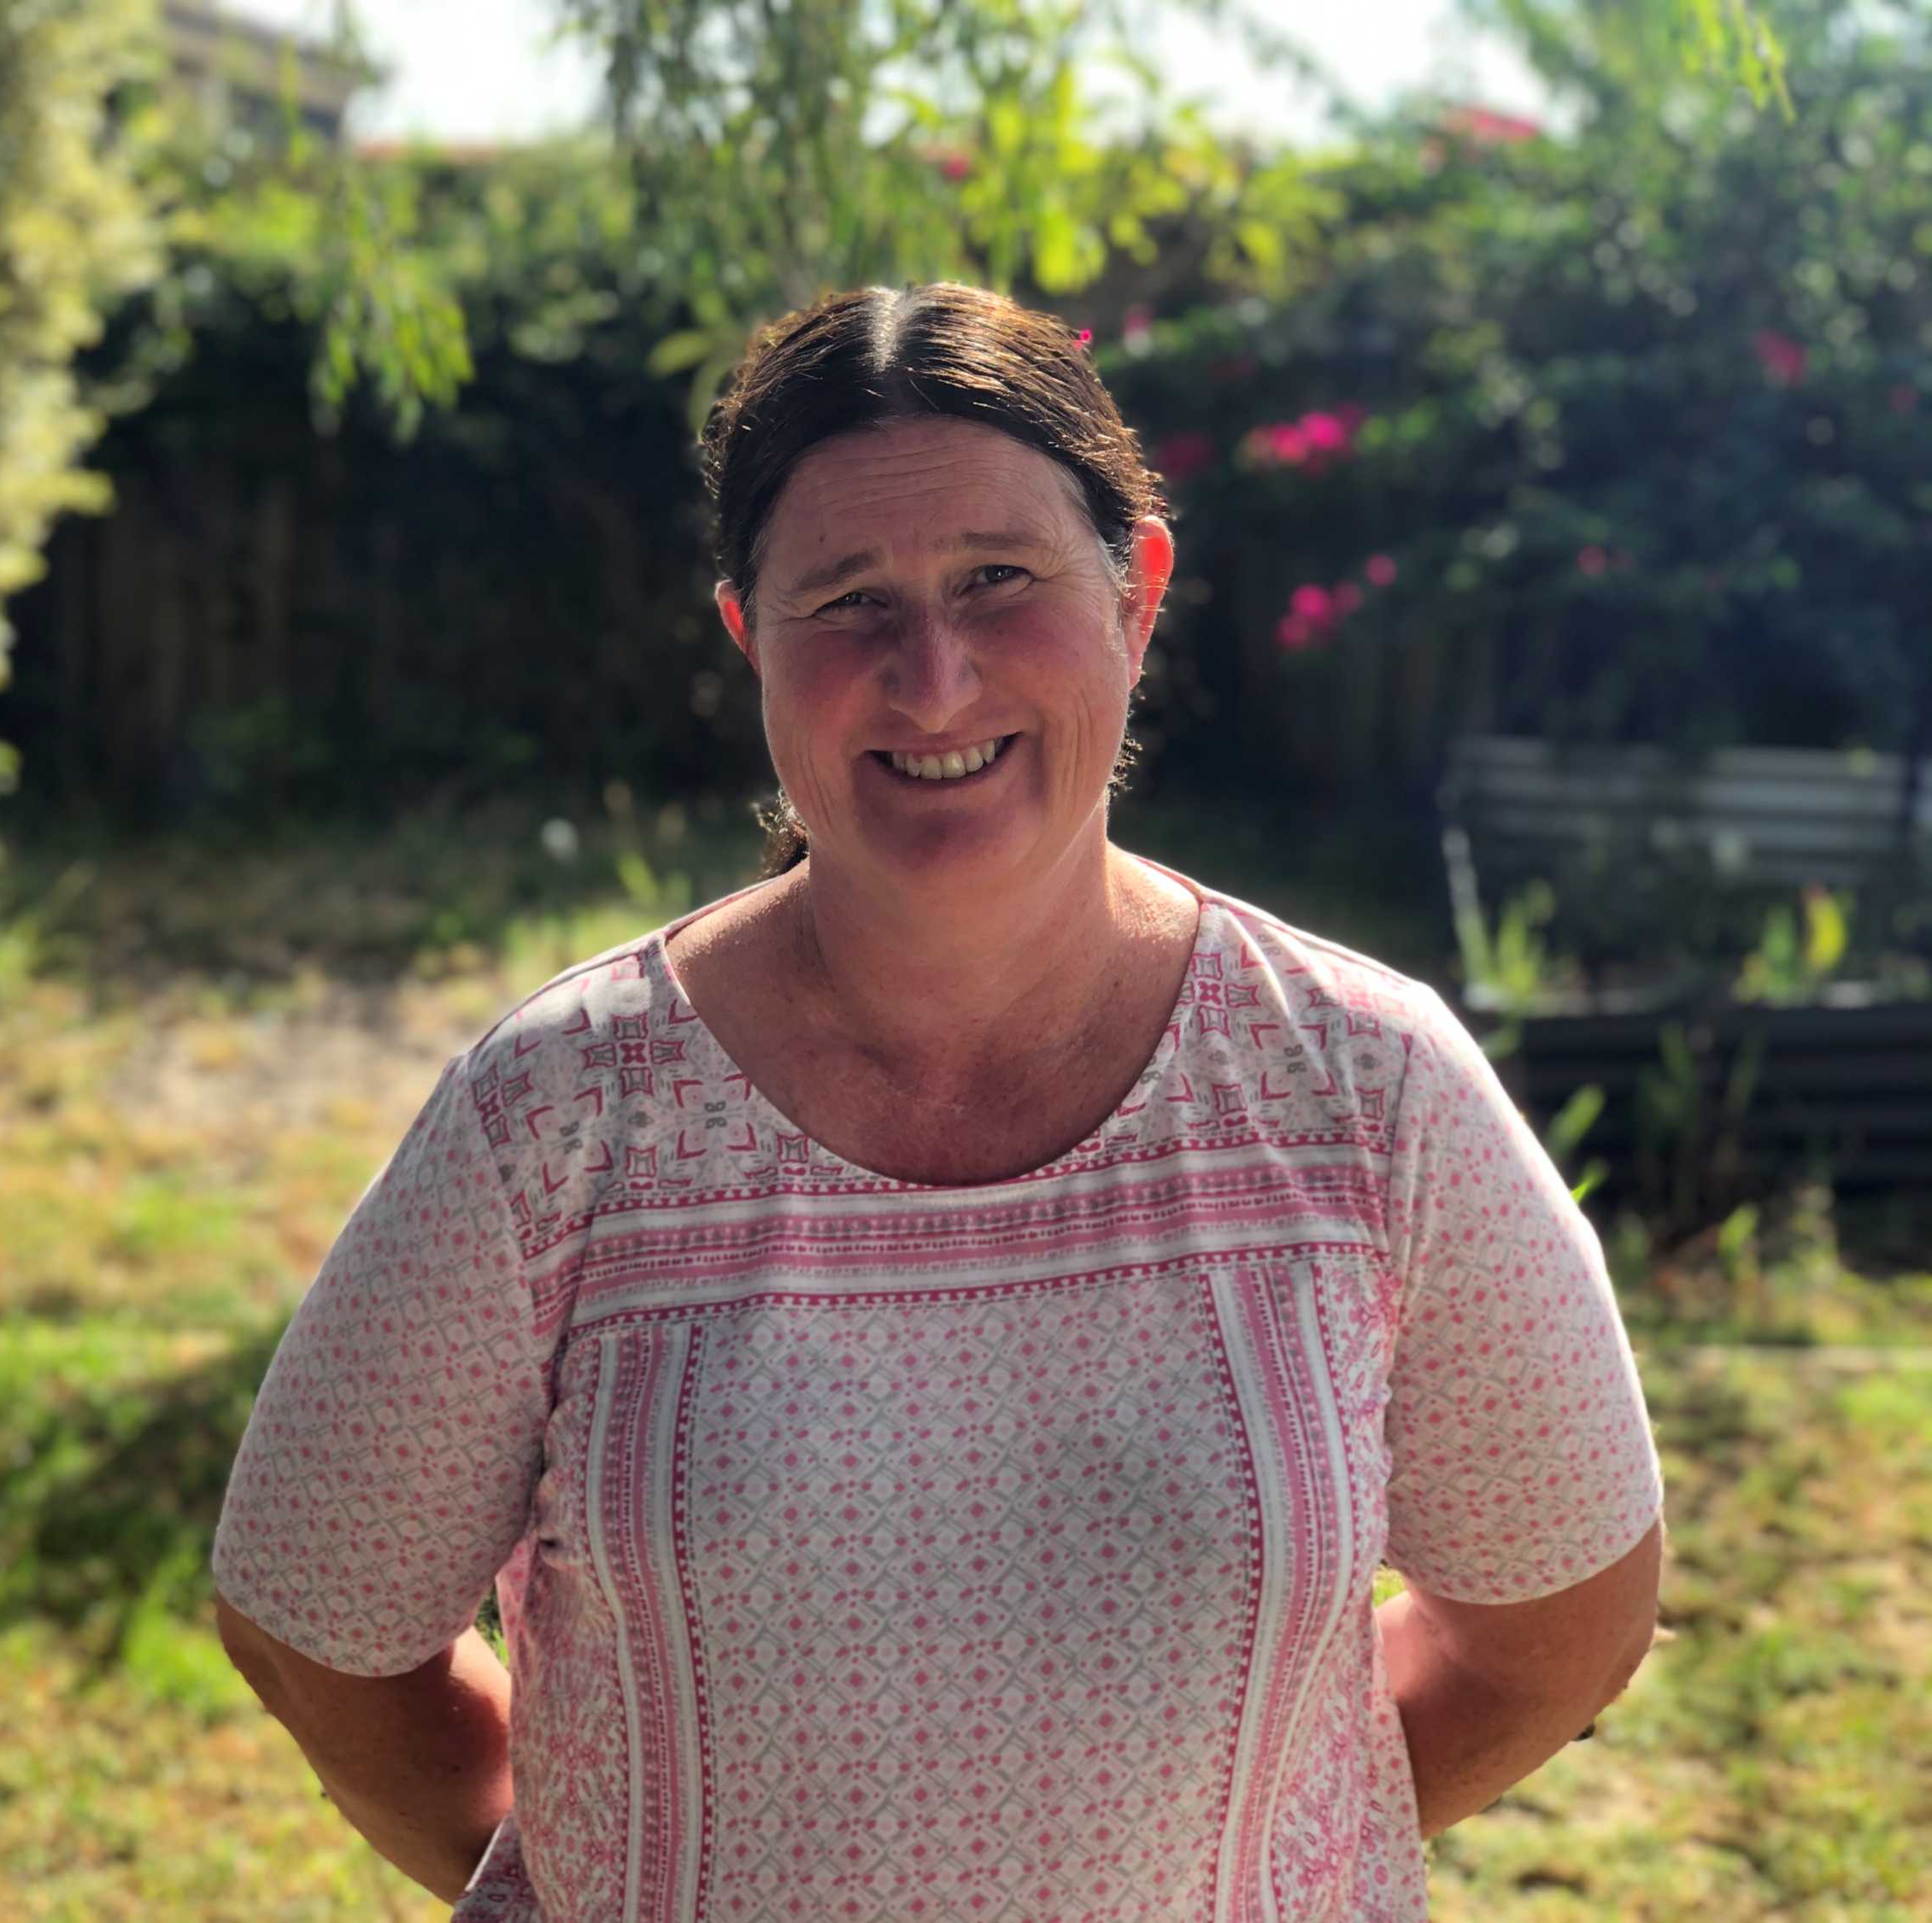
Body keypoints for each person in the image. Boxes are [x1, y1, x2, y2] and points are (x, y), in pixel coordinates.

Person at [210, 280, 1665, 1923]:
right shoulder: (561, 1120)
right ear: (750, 636)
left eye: (998, 578)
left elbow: (1561, 1626)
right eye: (848, 600)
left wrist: (1271, 1858)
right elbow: (314, 1624)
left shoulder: (1361, 1089)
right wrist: (582, 1861)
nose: (933, 672)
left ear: (1139, 593)